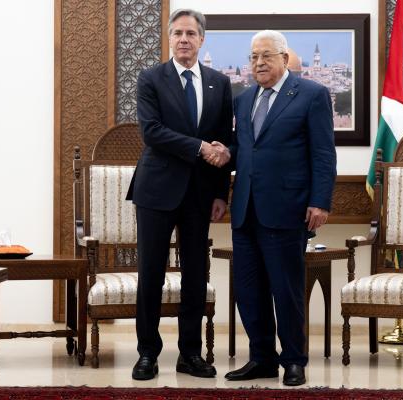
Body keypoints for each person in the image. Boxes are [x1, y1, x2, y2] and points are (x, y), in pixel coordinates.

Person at [218, 30, 337, 386]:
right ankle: (262, 359)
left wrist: (320, 200)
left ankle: (294, 361)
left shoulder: (311, 94)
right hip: (246, 210)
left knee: (286, 290)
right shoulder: (244, 98)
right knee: (249, 290)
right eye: (253, 57)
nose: (258, 63)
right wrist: (224, 153)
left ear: (284, 59)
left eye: (266, 56)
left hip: (287, 209)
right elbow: (246, 150)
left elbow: (322, 153)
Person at [126, 8, 232, 380]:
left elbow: (225, 140)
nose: (184, 39)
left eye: (190, 33)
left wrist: (222, 193)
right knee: (150, 272)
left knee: (194, 277)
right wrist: (202, 147)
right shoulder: (151, 78)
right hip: (155, 190)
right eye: (177, 33)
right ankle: (147, 354)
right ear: (169, 38)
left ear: (202, 39)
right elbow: (152, 132)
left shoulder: (220, 83)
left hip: (200, 194)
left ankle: (190, 353)